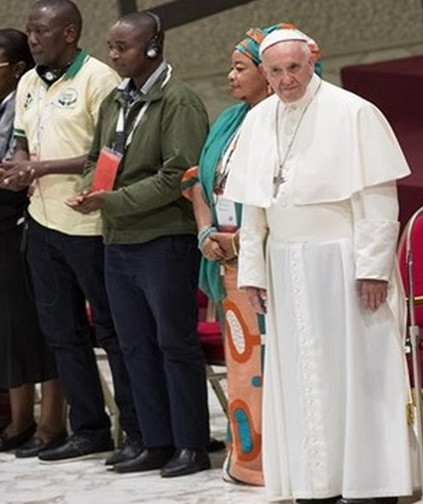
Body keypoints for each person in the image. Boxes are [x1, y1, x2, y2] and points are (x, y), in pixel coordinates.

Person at [222, 28, 413, 504]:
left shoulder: (354, 113)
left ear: (312, 64)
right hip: (285, 264)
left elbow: (377, 199)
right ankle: (315, 481)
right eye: (277, 72)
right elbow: (253, 209)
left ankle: (372, 482)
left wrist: (373, 268)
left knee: (356, 369)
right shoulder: (259, 120)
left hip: (342, 260)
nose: (287, 80)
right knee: (303, 375)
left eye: (295, 68)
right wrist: (251, 273)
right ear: (265, 74)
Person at [68, 11, 210, 477]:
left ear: (153, 47)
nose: (113, 55)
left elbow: (179, 175)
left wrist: (115, 201)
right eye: (109, 47)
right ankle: (154, 439)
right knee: (133, 346)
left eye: (121, 48)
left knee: (175, 343)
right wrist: (91, 189)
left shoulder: (179, 101)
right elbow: (97, 155)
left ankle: (190, 443)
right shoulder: (115, 100)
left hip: (163, 239)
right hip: (119, 240)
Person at [0, 0, 139, 463]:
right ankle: (89, 429)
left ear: (70, 34)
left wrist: (41, 166)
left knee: (111, 330)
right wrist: (21, 166)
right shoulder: (25, 82)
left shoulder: (98, 79)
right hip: (40, 222)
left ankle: (136, 428)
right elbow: (20, 139)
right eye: (30, 30)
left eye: (42, 31)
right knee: (61, 332)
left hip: (89, 224)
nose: (33, 38)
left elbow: (109, 154)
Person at [181, 23, 296, 485]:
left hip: (268, 261)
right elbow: (199, 181)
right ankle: (247, 458)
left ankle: (282, 463)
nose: (230, 76)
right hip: (225, 258)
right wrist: (206, 228)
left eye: (239, 68)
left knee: (273, 362)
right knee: (243, 365)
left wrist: (244, 239)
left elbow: (281, 194)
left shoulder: (281, 121)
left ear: (268, 75)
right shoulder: (229, 121)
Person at [0, 28, 65, 455]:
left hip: (24, 219)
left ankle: (51, 419)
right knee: (8, 329)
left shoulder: (28, 101)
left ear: (19, 68)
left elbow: (14, 168)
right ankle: (20, 417)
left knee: (37, 326)